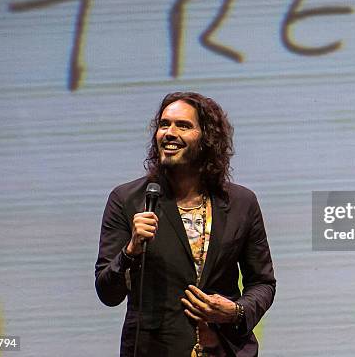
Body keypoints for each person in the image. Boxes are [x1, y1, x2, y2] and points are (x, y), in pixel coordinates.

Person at [95, 92, 276, 357]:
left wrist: (235, 312)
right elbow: (107, 292)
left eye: (183, 125)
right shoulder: (127, 200)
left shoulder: (241, 202)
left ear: (207, 139)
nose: (169, 133)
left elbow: (262, 283)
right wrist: (130, 250)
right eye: (164, 124)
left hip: (225, 350)